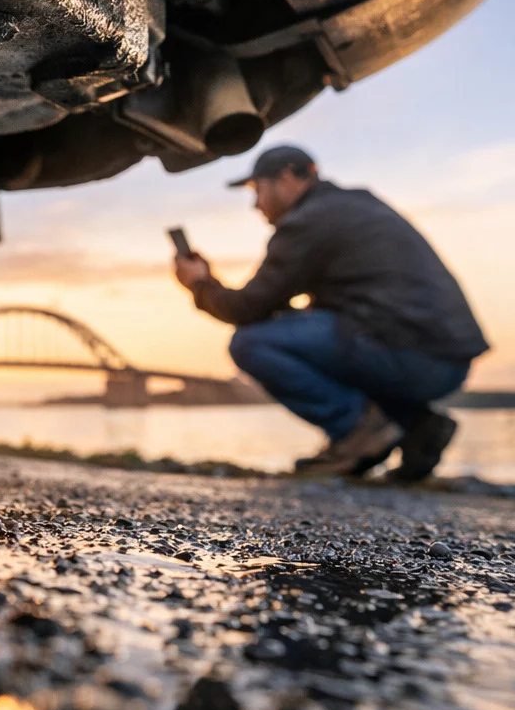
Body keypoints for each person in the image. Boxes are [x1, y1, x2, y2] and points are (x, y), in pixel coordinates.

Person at [173, 145, 488, 480]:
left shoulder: (308, 222)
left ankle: (356, 432)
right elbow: (277, 305)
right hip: (444, 359)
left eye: (258, 190)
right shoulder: (354, 205)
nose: (255, 205)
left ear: (286, 178)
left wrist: (201, 285)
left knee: (252, 343)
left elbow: (249, 308)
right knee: (307, 335)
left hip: (410, 353)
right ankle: (416, 425)